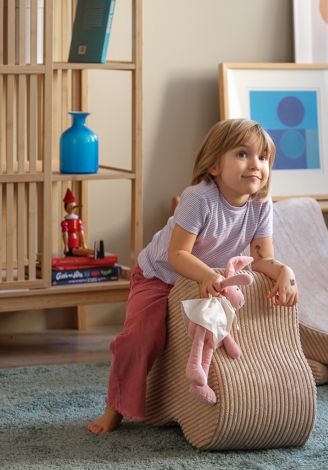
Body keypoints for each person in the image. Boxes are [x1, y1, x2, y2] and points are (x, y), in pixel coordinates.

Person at [87, 118, 299, 434]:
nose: (255, 164)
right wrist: (204, 275)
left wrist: (285, 271)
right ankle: (115, 406)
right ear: (214, 166)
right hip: (160, 275)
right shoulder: (198, 198)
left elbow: (261, 258)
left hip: (207, 279)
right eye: (243, 154)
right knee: (141, 336)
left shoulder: (261, 204)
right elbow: (178, 255)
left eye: (263, 157)